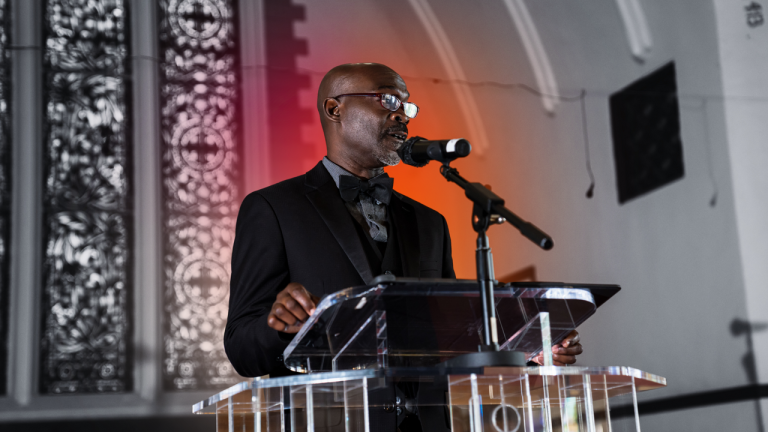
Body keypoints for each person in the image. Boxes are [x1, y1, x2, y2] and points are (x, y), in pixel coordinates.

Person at [224, 63, 582, 381]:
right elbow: (242, 349)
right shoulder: (272, 208)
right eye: (387, 101)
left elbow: (453, 339)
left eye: (406, 105)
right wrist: (283, 329)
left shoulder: (430, 223)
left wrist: (530, 354)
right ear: (335, 109)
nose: (404, 117)